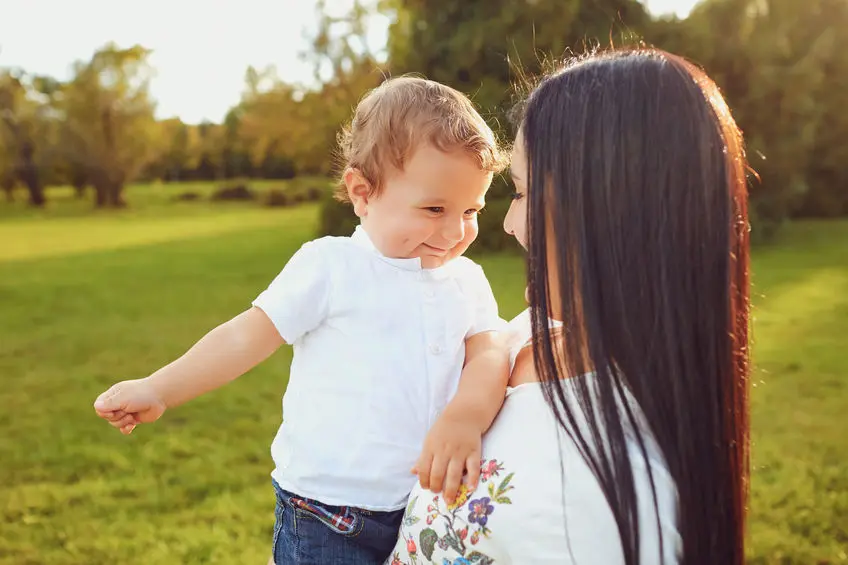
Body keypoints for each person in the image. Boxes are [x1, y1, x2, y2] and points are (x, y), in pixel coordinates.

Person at [92, 76, 513, 565]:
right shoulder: (330, 267)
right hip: (327, 514)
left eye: (471, 209)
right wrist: (160, 389)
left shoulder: (467, 280)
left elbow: (491, 353)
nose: (455, 230)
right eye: (435, 208)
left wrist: (465, 417)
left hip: (427, 507)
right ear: (362, 192)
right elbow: (244, 337)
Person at [389, 48, 751, 565]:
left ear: (605, 211)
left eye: (519, 192)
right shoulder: (530, 335)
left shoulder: (612, 507)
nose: (510, 225)